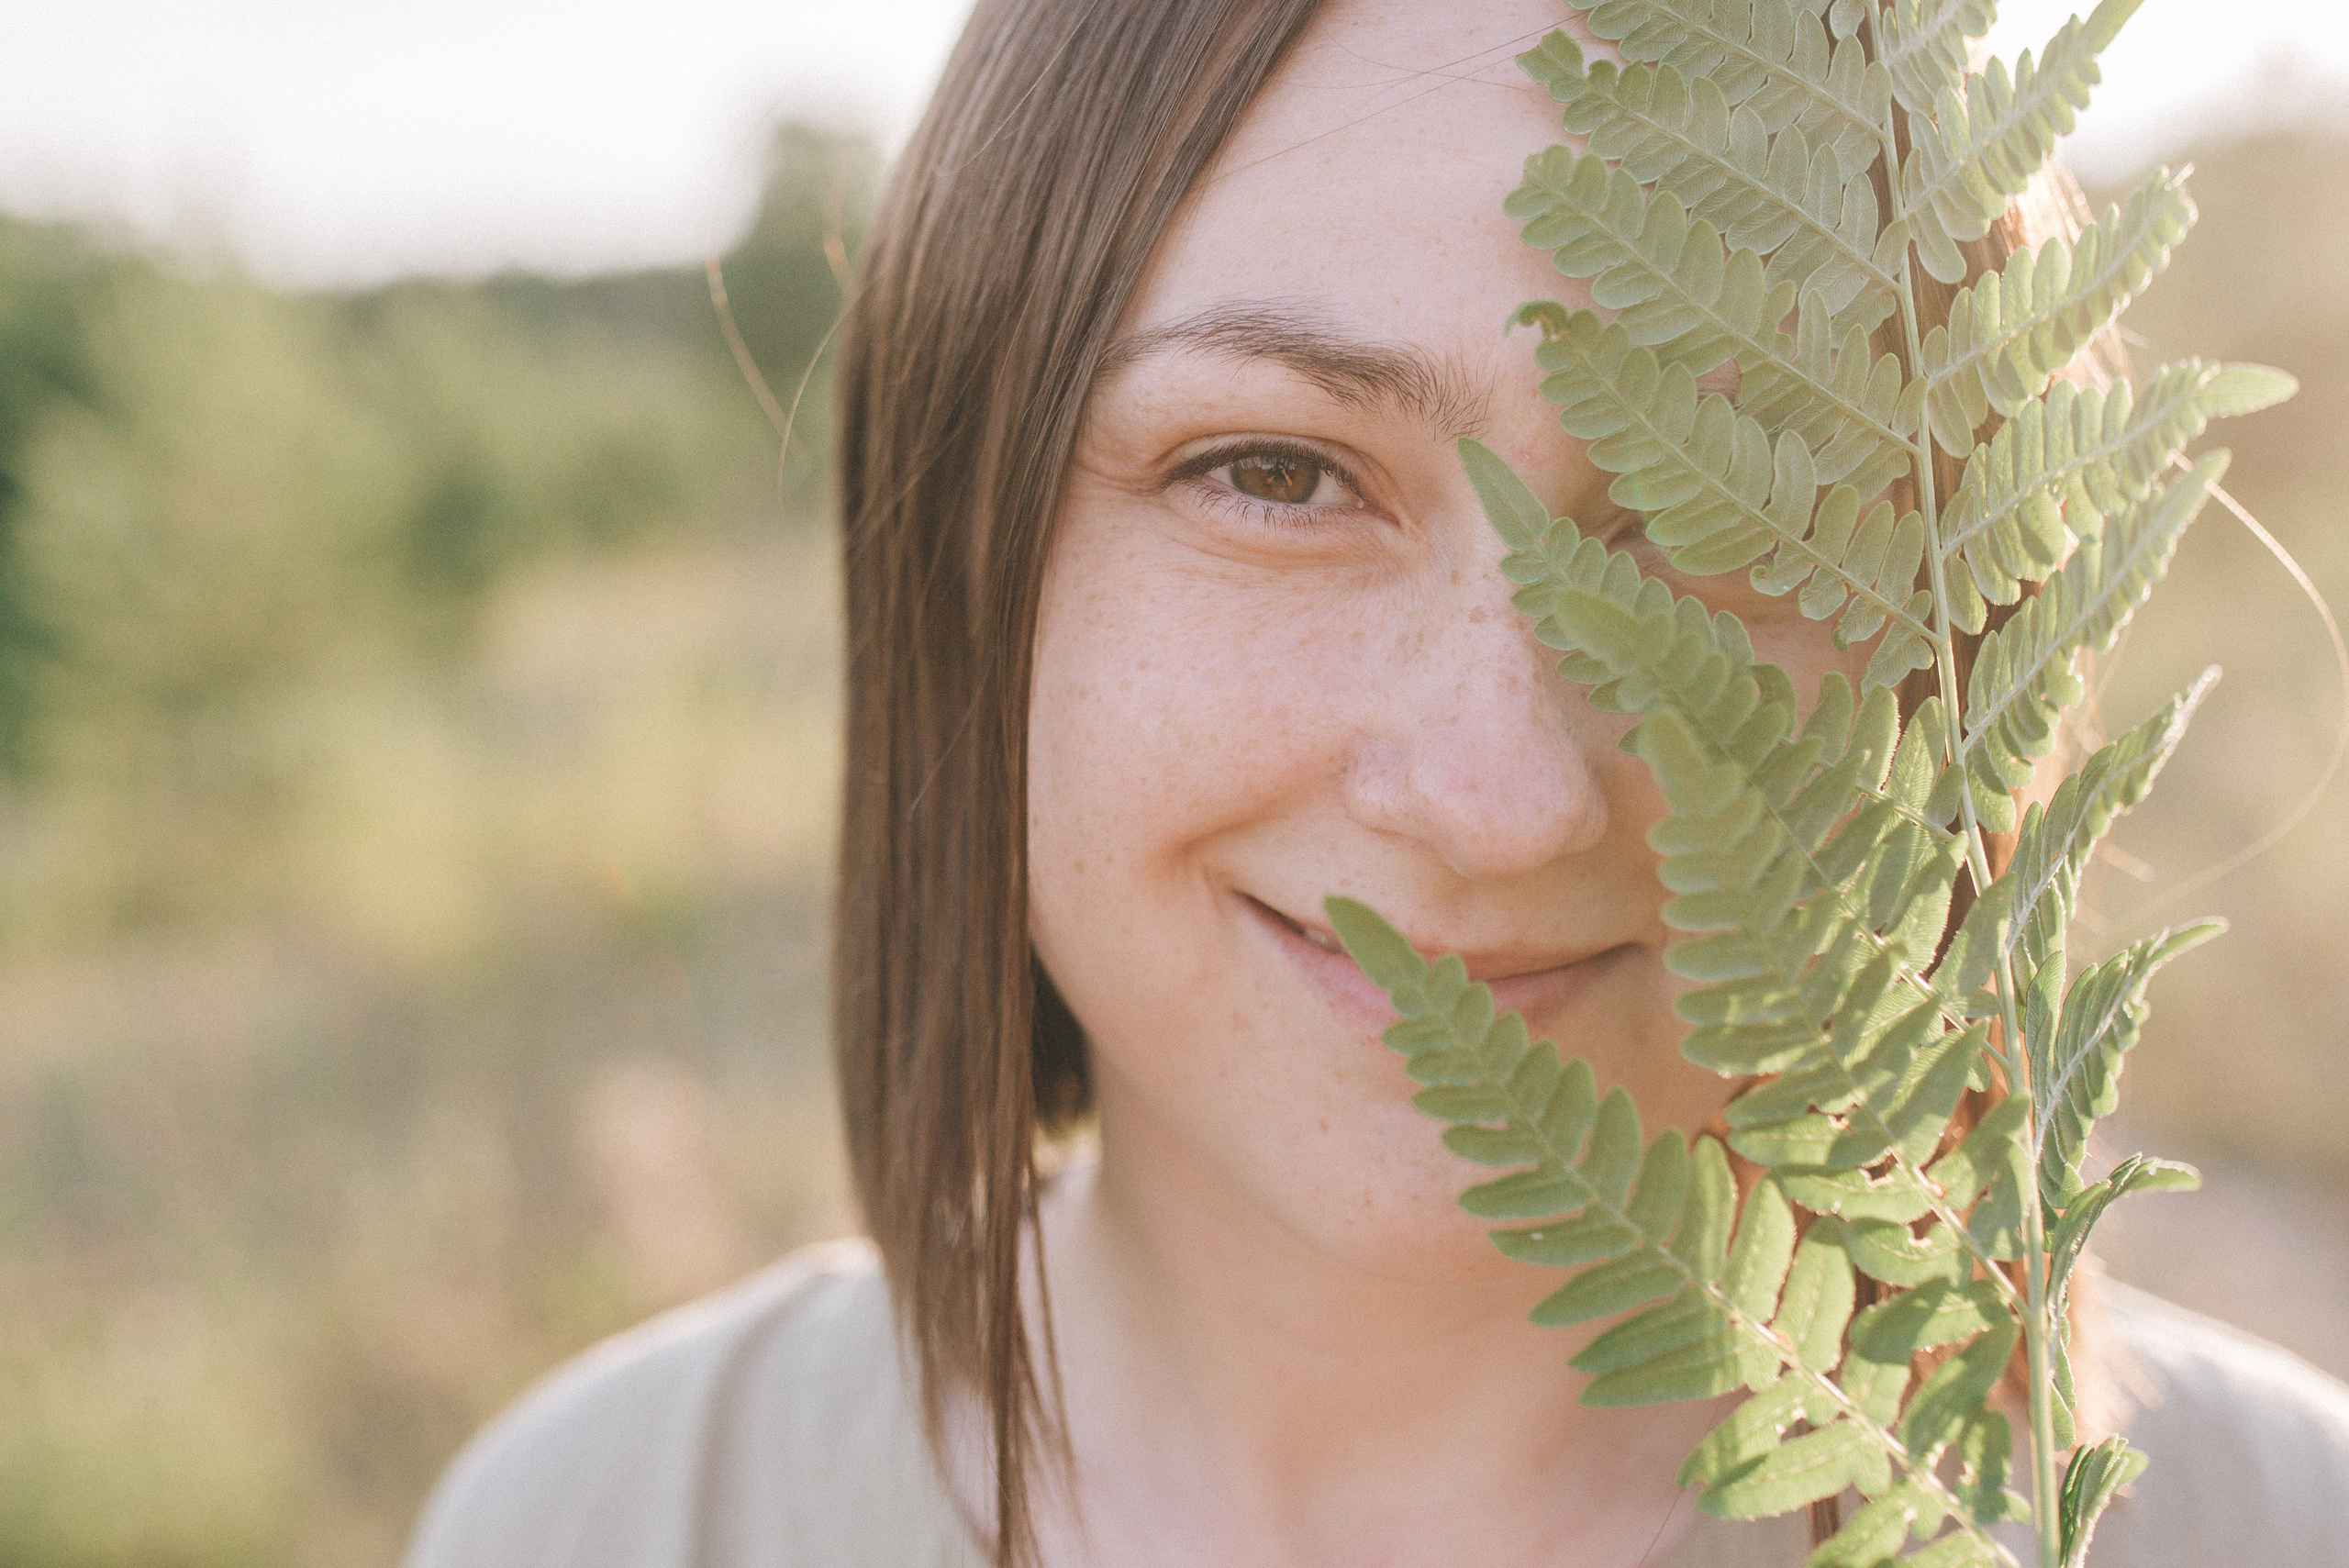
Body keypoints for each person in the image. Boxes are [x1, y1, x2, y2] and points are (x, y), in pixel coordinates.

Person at [401, 1, 2349, 1564]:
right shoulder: (603, 1523)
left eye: (1729, 510)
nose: (1507, 798)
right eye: (1274, 473)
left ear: (1959, 638)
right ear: (955, 551)